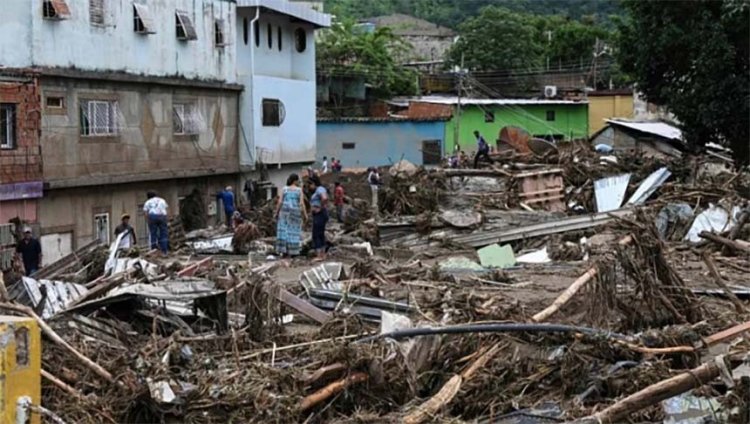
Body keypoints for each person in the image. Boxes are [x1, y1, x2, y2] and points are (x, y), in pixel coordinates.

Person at [275, 174, 306, 257]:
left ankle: (283, 251)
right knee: (293, 231)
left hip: (284, 212)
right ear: (295, 181)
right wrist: (305, 215)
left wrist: (276, 213)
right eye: (298, 180)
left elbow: (280, 202)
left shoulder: (284, 189)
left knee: (283, 230)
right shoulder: (299, 190)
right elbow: (301, 204)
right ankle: (293, 251)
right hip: (295, 212)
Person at [309, 176, 329, 260]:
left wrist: (320, 208)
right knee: (320, 233)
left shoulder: (320, 189)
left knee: (316, 234)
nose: (309, 187)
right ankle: (322, 254)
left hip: (320, 214)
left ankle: (319, 255)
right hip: (319, 214)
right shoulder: (319, 190)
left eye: (310, 184)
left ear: (314, 183)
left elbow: (324, 198)